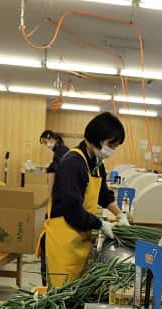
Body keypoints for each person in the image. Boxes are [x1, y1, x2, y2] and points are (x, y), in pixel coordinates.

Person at [42, 112, 130, 287]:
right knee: (61, 296)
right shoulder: (73, 163)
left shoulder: (96, 163)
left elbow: (103, 195)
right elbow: (72, 209)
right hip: (63, 241)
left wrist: (120, 215)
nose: (112, 150)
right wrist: (100, 224)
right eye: (110, 144)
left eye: (116, 146)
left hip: (79, 238)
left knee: (73, 292)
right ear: (96, 139)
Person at [38, 130, 69, 285]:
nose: (46, 145)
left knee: (48, 248)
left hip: (58, 207)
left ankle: (48, 283)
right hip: (57, 205)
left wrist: (48, 195)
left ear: (52, 138)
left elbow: (54, 169)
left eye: (45, 142)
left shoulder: (63, 151)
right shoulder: (60, 151)